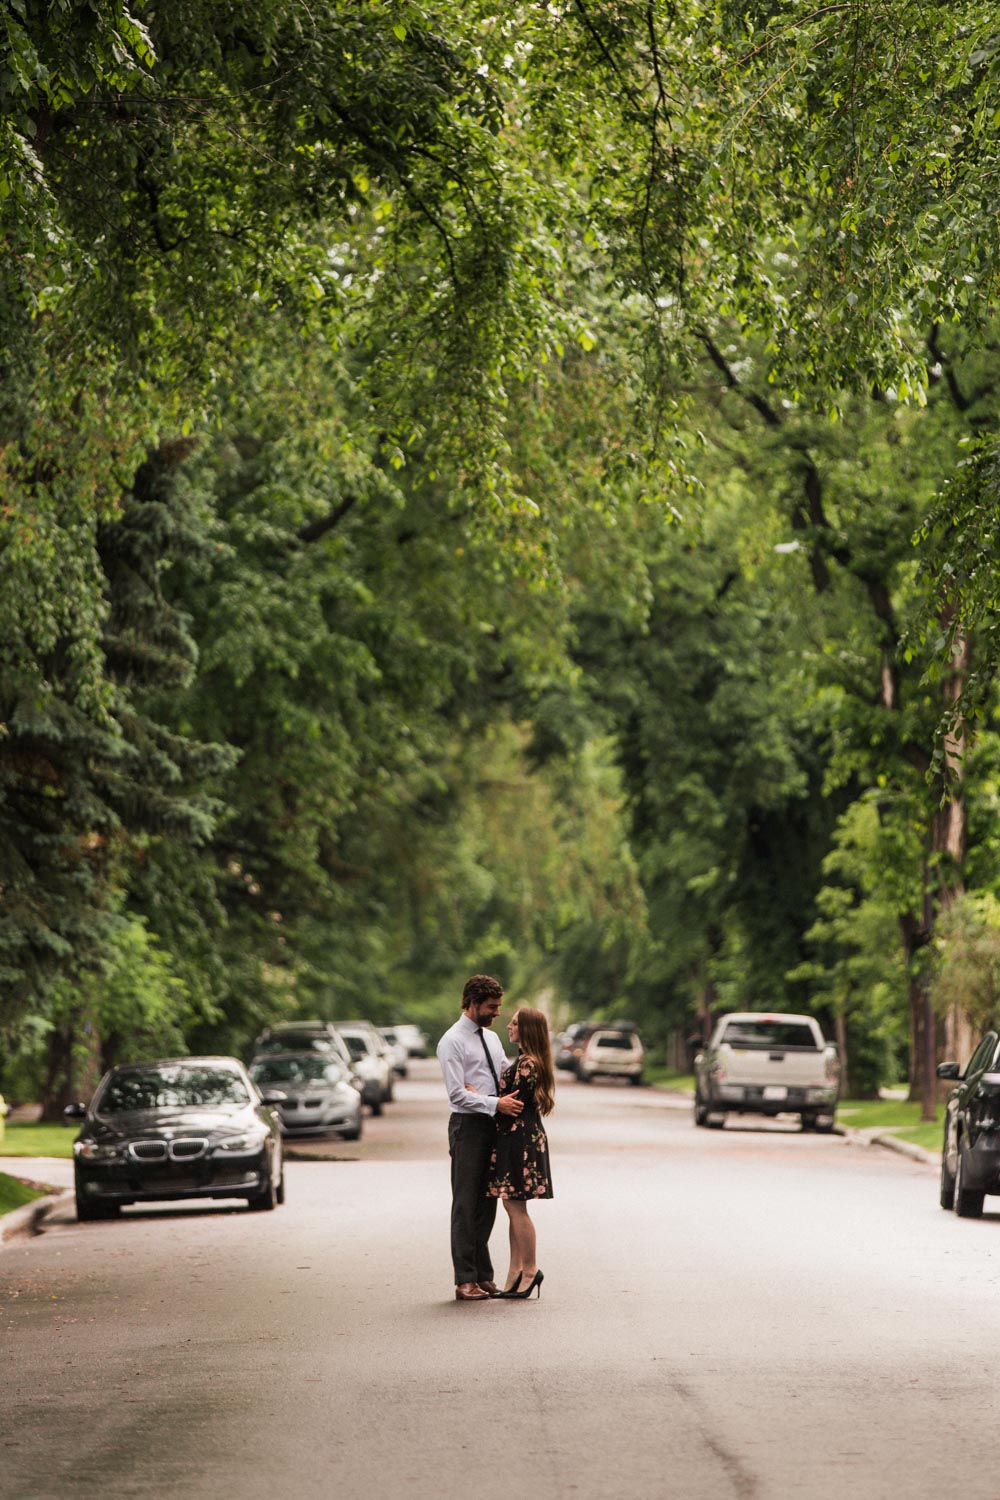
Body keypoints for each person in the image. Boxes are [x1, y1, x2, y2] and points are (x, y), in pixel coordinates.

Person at [437, 974, 523, 1302]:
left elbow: (504, 1074)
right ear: (472, 1003)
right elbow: (457, 1094)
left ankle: (483, 1275)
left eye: (499, 1006)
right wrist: (492, 1102)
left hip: (492, 1124)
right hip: (468, 1127)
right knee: (465, 1202)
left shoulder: (491, 1039)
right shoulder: (452, 1041)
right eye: (492, 1006)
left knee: (487, 1202)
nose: (497, 1012)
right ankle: (464, 1279)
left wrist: (496, 1095)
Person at [487, 1006, 554, 1299]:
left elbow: (510, 1106)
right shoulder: (526, 1060)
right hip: (519, 1138)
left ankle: (530, 1269)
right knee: (512, 1206)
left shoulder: (528, 1064)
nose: (509, 1027)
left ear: (526, 1029)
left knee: (516, 1207)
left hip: (520, 1140)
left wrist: (479, 1097)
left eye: (514, 1023)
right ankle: (515, 1271)